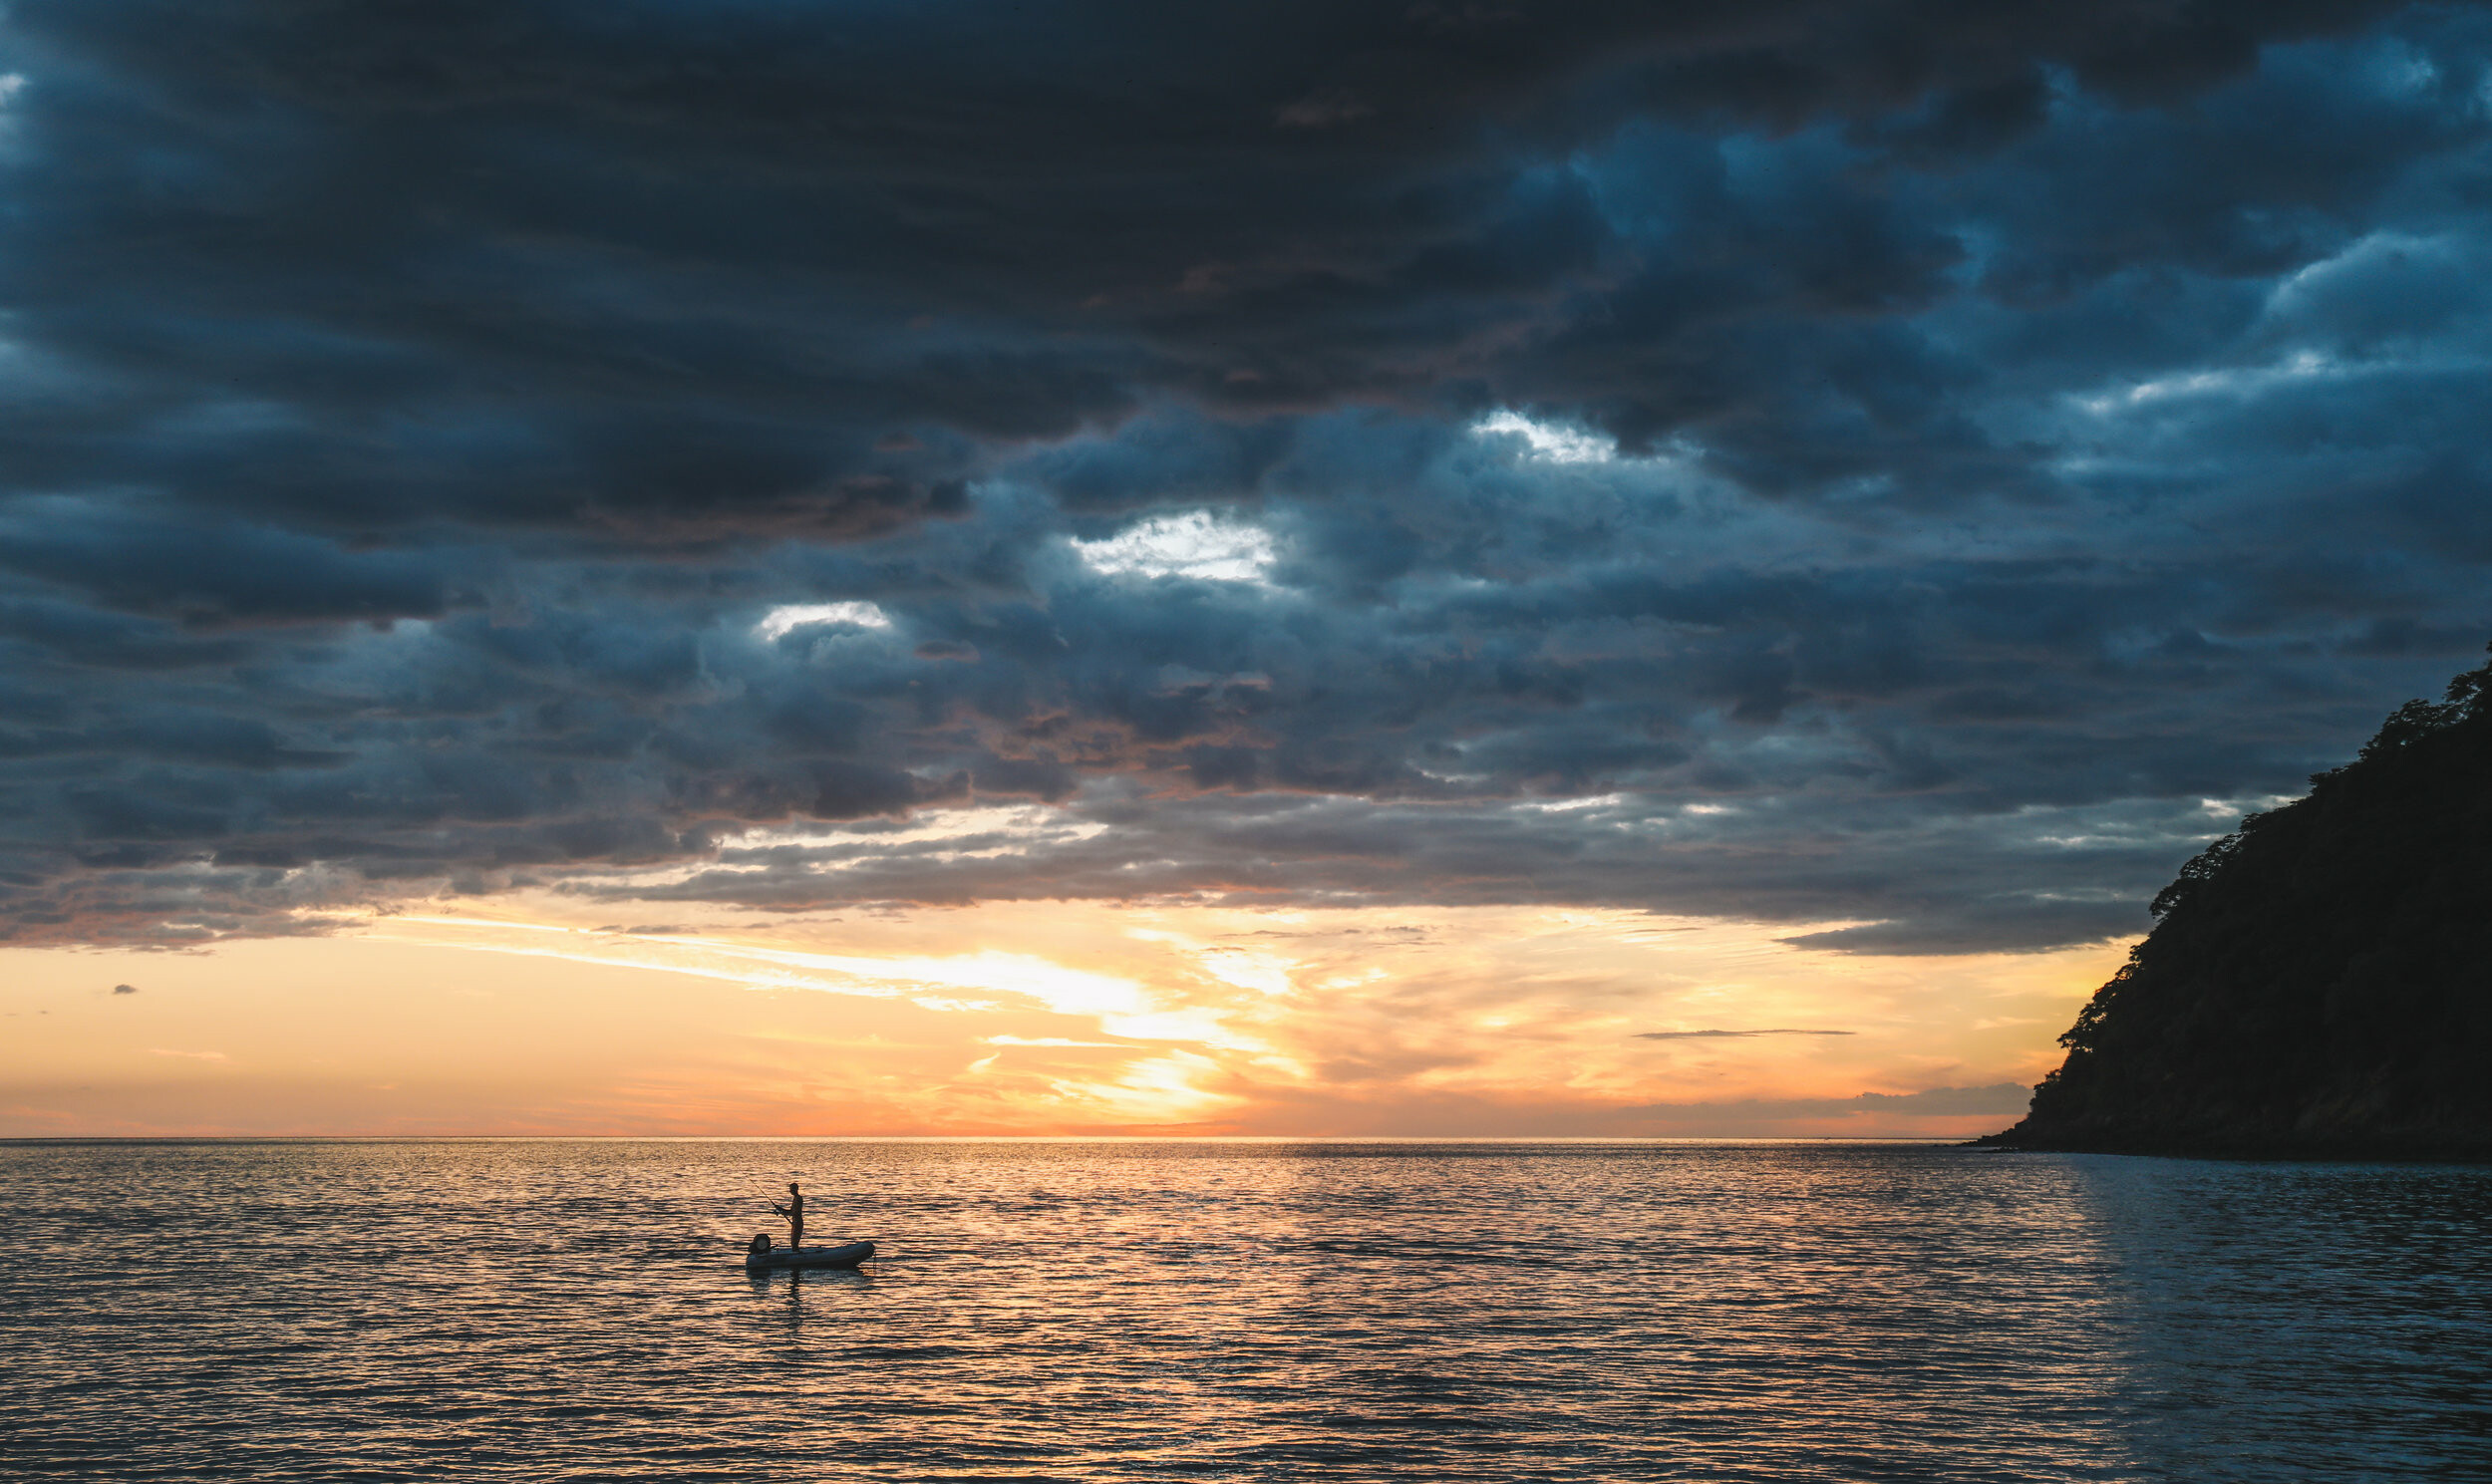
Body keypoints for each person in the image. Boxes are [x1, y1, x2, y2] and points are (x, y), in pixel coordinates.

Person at [771, 1181, 805, 1253]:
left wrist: (782, 1211)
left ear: (796, 1189)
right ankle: (795, 1253)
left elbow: (794, 1212)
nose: (790, 1191)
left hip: (798, 1223)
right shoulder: (795, 1198)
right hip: (795, 1222)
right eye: (790, 1189)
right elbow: (791, 1211)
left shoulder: (799, 1198)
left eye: (792, 1189)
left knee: (794, 1242)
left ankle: (797, 1255)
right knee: (793, 1242)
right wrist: (780, 1209)